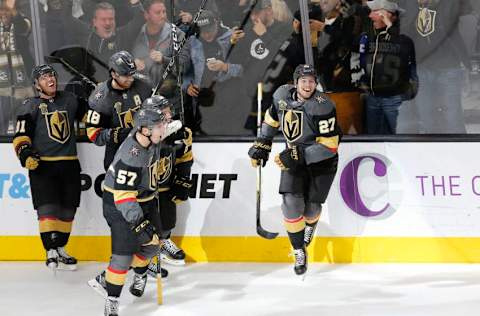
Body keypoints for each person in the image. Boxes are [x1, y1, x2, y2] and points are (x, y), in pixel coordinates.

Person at [247, 64, 341, 276]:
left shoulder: (323, 105)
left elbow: (330, 146)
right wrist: (263, 143)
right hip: (294, 158)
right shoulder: (281, 95)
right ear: (295, 82)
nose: (308, 85)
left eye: (311, 81)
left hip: (321, 161)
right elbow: (272, 119)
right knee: (291, 204)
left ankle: (310, 225)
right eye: (304, 81)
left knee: (311, 210)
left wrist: (297, 155)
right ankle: (299, 250)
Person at [91, 98, 171, 316]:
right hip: (119, 204)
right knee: (123, 255)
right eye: (161, 126)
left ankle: (106, 277)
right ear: (145, 130)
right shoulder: (131, 156)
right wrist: (139, 225)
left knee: (154, 245)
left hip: (143, 200)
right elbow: (124, 197)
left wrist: (175, 126)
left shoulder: (149, 136)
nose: (165, 128)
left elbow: (168, 125)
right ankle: (112, 300)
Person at [12, 64, 85, 270]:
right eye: (44, 78)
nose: (50, 79)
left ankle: (61, 248)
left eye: (52, 75)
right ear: (36, 84)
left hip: (70, 164)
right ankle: (50, 250)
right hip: (44, 167)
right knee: (47, 208)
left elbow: (92, 118)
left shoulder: (70, 99)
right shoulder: (30, 105)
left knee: (68, 209)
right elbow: (20, 136)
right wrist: (25, 154)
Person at [399, 0, 472, 133]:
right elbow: (404, 31)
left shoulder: (448, 4)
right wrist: (418, 8)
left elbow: (458, 16)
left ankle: (459, 150)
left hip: (448, 66)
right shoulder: (408, 4)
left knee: (452, 115)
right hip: (421, 67)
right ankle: (431, 150)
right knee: (425, 115)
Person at [86, 50, 153, 171]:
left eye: (132, 74)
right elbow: (93, 133)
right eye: (126, 75)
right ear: (113, 74)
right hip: (117, 153)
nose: (131, 79)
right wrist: (115, 134)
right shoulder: (100, 98)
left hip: (145, 149)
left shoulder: (144, 84)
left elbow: (159, 110)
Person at [358, 0, 417, 134]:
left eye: (375, 12)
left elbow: (405, 52)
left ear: (388, 15)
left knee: (401, 137)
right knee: (374, 139)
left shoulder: (404, 37)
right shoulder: (371, 36)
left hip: (395, 99)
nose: (370, 16)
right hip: (373, 97)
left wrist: (390, 25)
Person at [185, 9, 244, 135]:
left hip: (227, 92)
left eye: (210, 30)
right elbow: (185, 69)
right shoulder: (192, 41)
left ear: (216, 23)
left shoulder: (232, 37)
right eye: (203, 32)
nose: (207, 34)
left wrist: (224, 67)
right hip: (202, 95)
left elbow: (245, 70)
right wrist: (187, 86)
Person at [131, 0, 191, 113]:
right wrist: (133, 64)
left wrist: (164, 60)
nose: (163, 16)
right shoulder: (135, 34)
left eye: (164, 12)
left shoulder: (178, 35)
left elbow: (184, 67)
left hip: (172, 102)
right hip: (143, 100)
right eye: (158, 12)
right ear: (146, 15)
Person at [0, 0, 34, 135]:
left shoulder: (22, 21)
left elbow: (23, 28)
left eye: (7, 10)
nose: (4, 14)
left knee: (23, 122)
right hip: (1, 87)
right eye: (2, 10)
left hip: (22, 81)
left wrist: (13, 11)